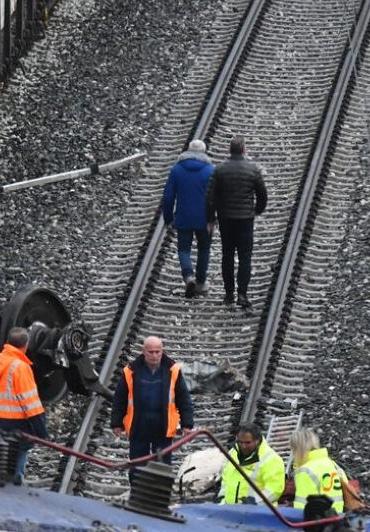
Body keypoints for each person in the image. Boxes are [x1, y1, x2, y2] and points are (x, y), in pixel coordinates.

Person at [111, 336, 194, 484]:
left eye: (157, 351)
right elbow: (120, 399)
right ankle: (137, 495)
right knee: (137, 465)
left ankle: (160, 497)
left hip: (162, 426)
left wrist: (187, 424)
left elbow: (183, 398)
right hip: (139, 426)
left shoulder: (172, 370)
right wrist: (116, 422)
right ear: (144, 351)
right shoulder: (130, 372)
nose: (154, 355)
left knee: (163, 467)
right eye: (151, 352)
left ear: (162, 351)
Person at [206, 135, 267, 309]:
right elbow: (262, 194)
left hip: (226, 219)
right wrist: (257, 211)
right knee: (245, 257)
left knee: (227, 256)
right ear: (244, 150)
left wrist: (211, 218)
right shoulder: (253, 169)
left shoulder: (219, 170)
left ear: (229, 151)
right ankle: (242, 293)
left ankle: (228, 294)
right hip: (245, 219)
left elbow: (210, 198)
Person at [0, 327, 49, 485]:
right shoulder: (21, 367)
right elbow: (31, 404)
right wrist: (42, 433)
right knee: (13, 477)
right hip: (16, 428)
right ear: (25, 345)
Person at [161, 139, 215, 298]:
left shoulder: (177, 170)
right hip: (204, 218)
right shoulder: (210, 171)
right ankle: (200, 283)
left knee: (184, 249)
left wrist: (168, 218)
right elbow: (215, 197)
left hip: (183, 217)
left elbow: (168, 196)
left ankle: (188, 276)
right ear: (204, 152)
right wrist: (213, 218)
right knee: (204, 249)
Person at [218, 422, 285, 504]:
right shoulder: (233, 453)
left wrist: (255, 502)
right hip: (231, 511)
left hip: (257, 513)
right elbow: (225, 478)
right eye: (240, 442)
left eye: (247, 442)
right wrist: (221, 496)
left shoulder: (272, 459)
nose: (243, 446)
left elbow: (275, 489)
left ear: (257, 441)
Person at [290, 427, 350, 514]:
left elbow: (301, 506)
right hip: (338, 519)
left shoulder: (305, 471)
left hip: (318, 521)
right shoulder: (333, 465)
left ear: (297, 449)